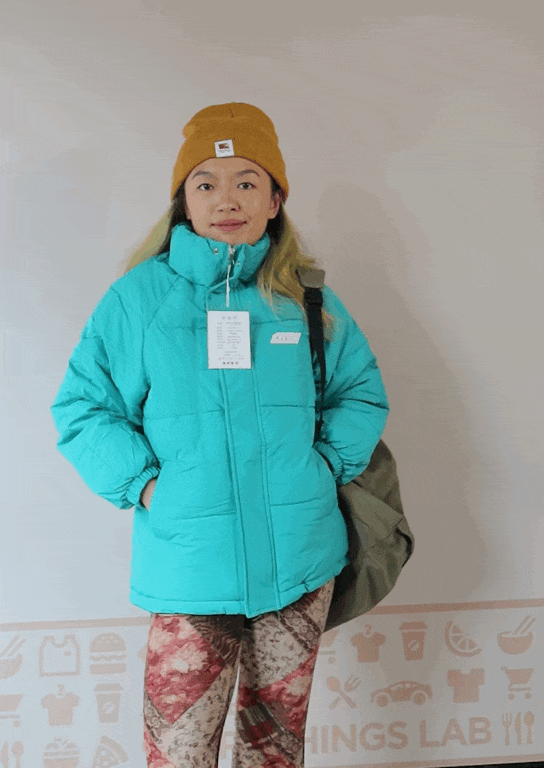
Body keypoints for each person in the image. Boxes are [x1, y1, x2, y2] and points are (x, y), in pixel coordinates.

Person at [51, 102, 389, 768]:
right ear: (183, 201)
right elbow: (83, 406)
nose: (226, 199)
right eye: (205, 182)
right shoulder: (139, 299)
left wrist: (322, 469)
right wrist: (147, 487)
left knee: (275, 750)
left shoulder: (306, 298)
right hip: (189, 566)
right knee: (178, 754)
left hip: (300, 558)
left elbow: (359, 391)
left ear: (274, 199)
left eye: (246, 181)